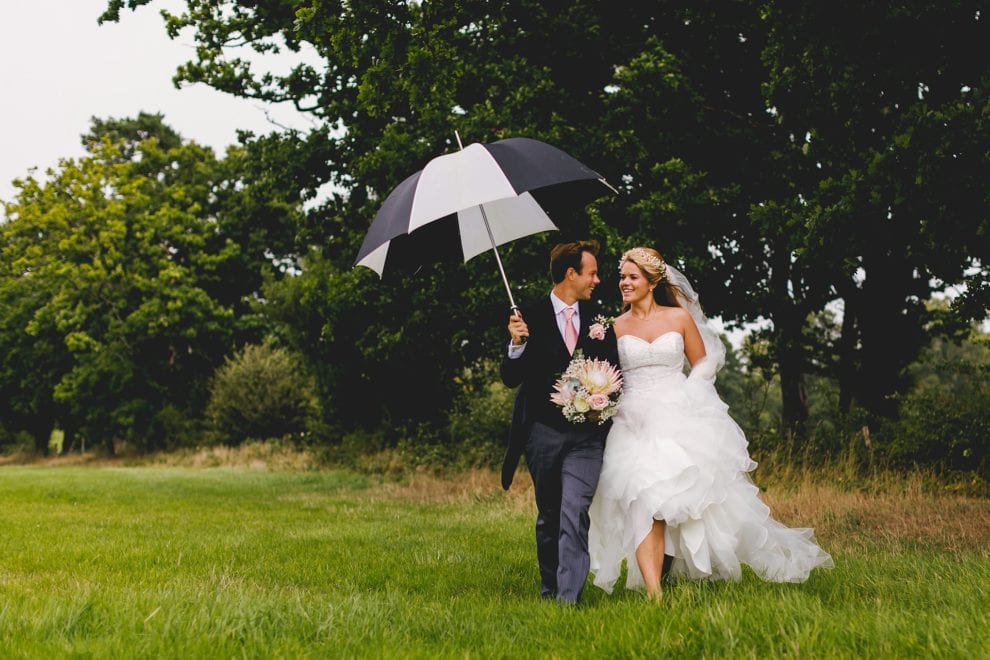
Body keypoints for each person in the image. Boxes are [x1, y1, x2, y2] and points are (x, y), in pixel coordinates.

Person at [589, 247, 833, 600]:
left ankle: (673, 569)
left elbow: (703, 363)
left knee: (675, 502)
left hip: (678, 414)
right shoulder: (613, 326)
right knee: (641, 499)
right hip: (633, 422)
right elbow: (608, 375)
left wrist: (686, 395)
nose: (624, 283)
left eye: (632, 277)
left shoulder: (678, 319)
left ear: (653, 281)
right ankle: (654, 593)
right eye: (622, 277)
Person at [500, 240, 621, 604]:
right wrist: (516, 344)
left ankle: (569, 598)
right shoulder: (526, 317)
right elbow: (510, 376)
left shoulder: (601, 322)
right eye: (593, 272)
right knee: (550, 514)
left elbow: (616, 375)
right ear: (571, 274)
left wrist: (601, 402)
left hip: (587, 438)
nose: (597, 280)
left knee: (574, 510)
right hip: (543, 433)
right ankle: (550, 586)